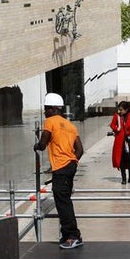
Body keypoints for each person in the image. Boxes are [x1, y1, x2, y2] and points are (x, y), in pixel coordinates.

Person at [33, 92, 85, 249]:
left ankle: (73, 236)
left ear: (53, 109)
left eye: (46, 108)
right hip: (70, 166)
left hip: (61, 168)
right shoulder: (70, 125)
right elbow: (80, 150)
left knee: (63, 203)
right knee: (65, 200)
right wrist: (72, 162)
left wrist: (36, 145)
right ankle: (66, 234)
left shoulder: (50, 121)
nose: (44, 112)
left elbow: (42, 144)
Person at [109, 101, 130, 185]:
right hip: (120, 141)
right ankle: (123, 179)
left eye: (121, 110)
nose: (119, 111)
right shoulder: (117, 116)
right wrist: (117, 128)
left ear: (126, 110)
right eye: (119, 109)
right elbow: (112, 125)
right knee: (121, 160)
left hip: (129, 140)